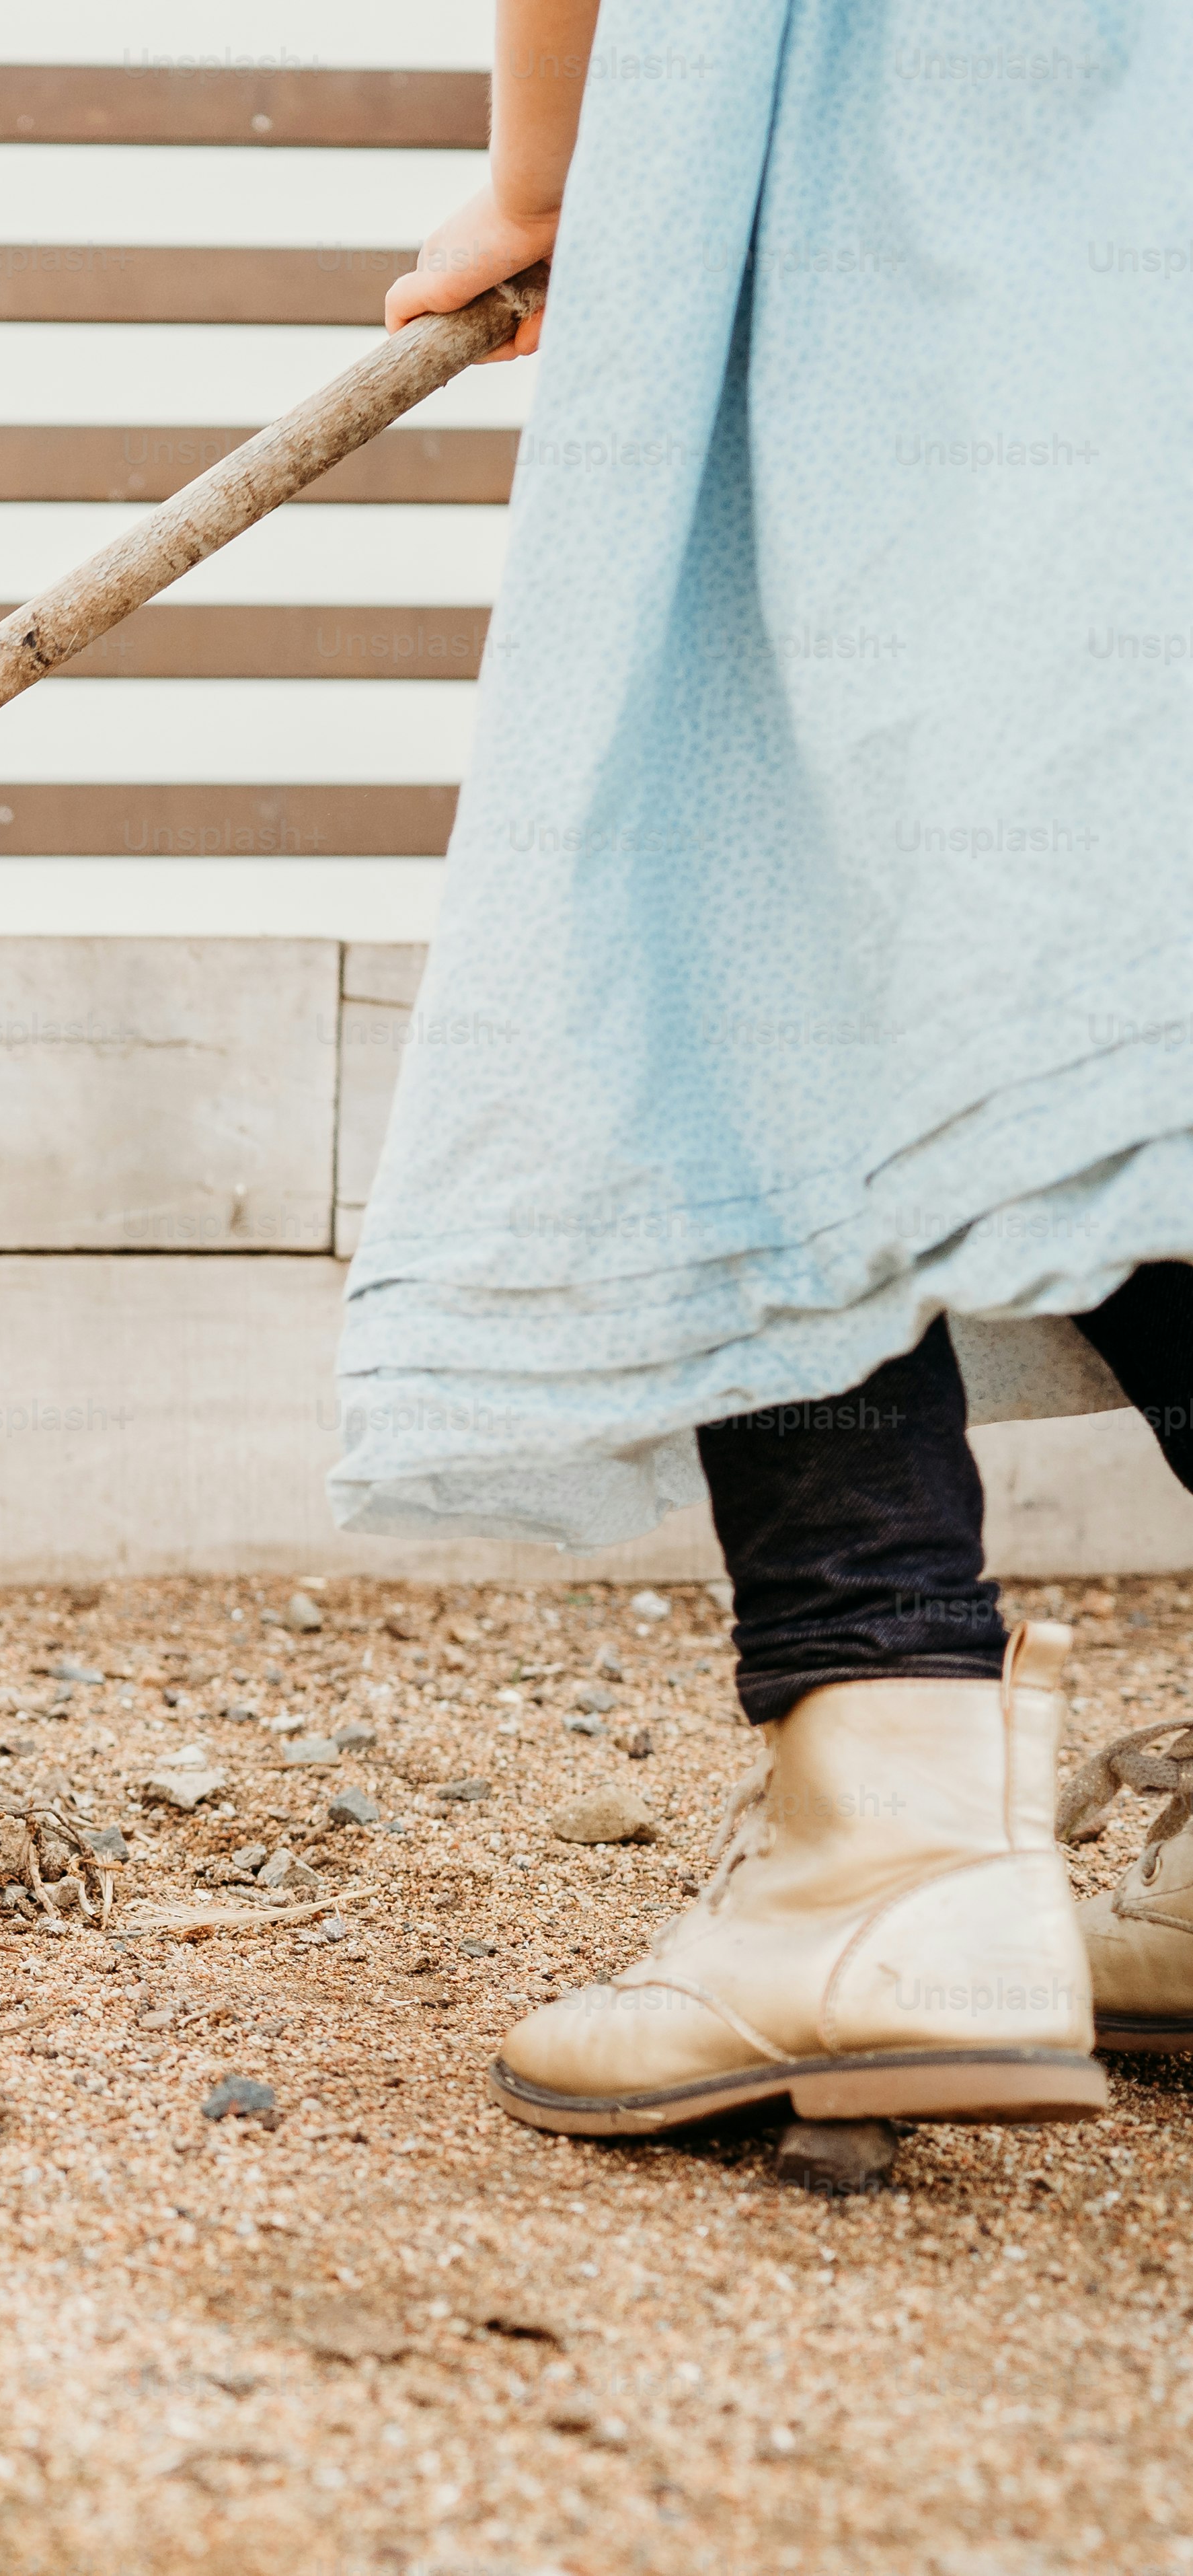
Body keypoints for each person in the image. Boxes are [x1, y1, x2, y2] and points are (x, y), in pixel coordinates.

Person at [346, 0, 1192, 2135]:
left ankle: (885, 1833)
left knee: (757, 908)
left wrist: (558, 177)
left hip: (879, 180)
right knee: (1093, 962)